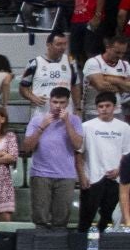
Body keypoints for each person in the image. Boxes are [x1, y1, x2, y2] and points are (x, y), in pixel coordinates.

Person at [21, 87, 83, 229]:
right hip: (40, 174)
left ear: (67, 103)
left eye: (62, 102)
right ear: (50, 101)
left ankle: (57, 248)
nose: (58, 106)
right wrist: (42, 127)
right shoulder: (37, 120)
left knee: (61, 220)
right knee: (40, 218)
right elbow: (26, 147)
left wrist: (67, 122)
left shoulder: (75, 121)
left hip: (66, 175)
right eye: (55, 102)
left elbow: (78, 144)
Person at [80, 93, 129, 236]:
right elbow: (79, 154)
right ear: (96, 108)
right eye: (100, 106)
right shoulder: (86, 126)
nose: (104, 109)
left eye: (107, 106)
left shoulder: (124, 127)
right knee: (86, 217)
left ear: (115, 107)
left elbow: (127, 153)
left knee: (108, 218)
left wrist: (119, 170)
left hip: (115, 178)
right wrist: (82, 175)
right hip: (93, 177)